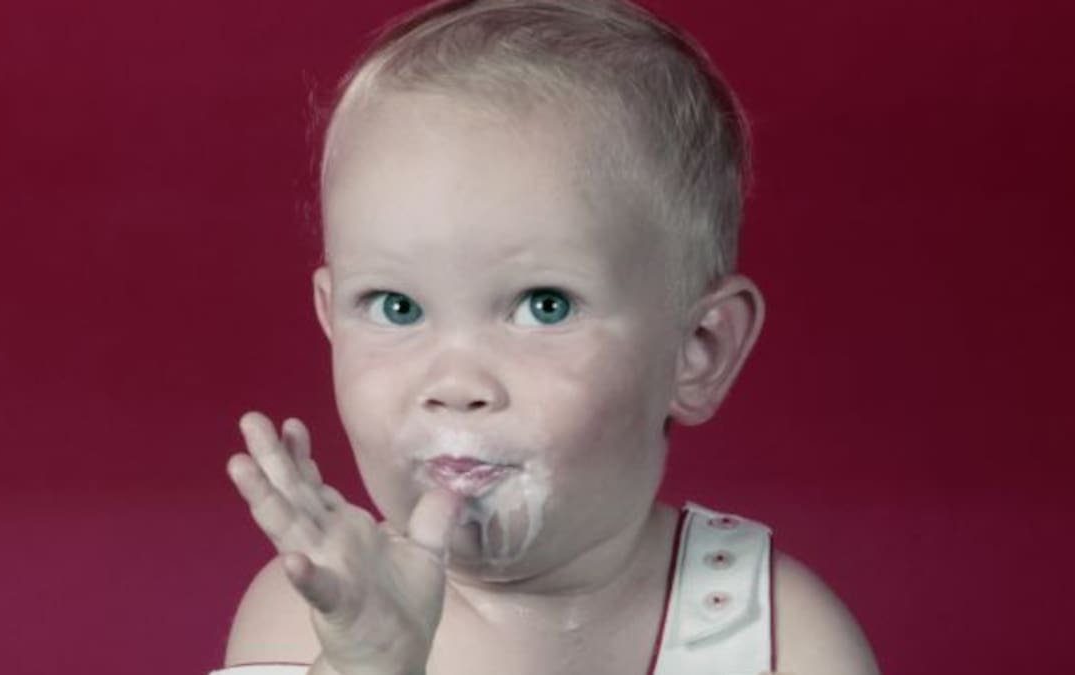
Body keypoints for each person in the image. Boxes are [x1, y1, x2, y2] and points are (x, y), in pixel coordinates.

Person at [213, 1, 880, 673]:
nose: (456, 384)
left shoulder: (775, 633)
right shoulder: (314, 616)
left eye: (544, 305)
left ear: (697, 350)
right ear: (330, 319)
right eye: (397, 306)